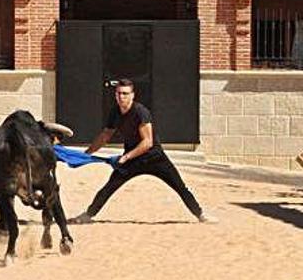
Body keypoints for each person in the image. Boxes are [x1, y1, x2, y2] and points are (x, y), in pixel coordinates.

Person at [70, 79, 217, 224]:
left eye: (125, 94)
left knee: (180, 186)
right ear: (115, 95)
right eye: (119, 93)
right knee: (109, 187)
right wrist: (86, 154)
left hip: (154, 158)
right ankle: (88, 215)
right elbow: (105, 136)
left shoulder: (140, 112)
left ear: (132, 95)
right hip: (132, 160)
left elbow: (147, 142)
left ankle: (200, 214)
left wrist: (126, 156)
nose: (122, 97)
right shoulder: (115, 113)